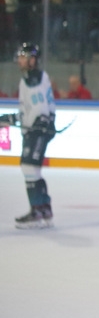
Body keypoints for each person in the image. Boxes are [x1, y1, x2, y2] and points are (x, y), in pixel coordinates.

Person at [0, 44, 57, 229]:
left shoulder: (34, 78)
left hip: (38, 129)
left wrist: (42, 122)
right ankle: (44, 208)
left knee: (28, 167)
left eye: (24, 56)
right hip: (36, 128)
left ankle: (37, 211)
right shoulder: (31, 78)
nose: (20, 60)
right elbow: (30, 110)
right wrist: (12, 118)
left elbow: (40, 108)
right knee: (32, 169)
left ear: (33, 59)